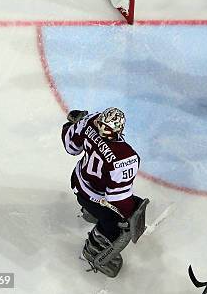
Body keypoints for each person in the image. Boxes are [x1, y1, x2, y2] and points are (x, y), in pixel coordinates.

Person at [61, 107, 145, 277]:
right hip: (93, 197)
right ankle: (93, 250)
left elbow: (71, 147)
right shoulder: (125, 158)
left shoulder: (90, 121)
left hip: (78, 182)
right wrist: (127, 215)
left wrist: (70, 125)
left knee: (114, 208)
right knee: (115, 224)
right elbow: (117, 199)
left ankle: (91, 213)